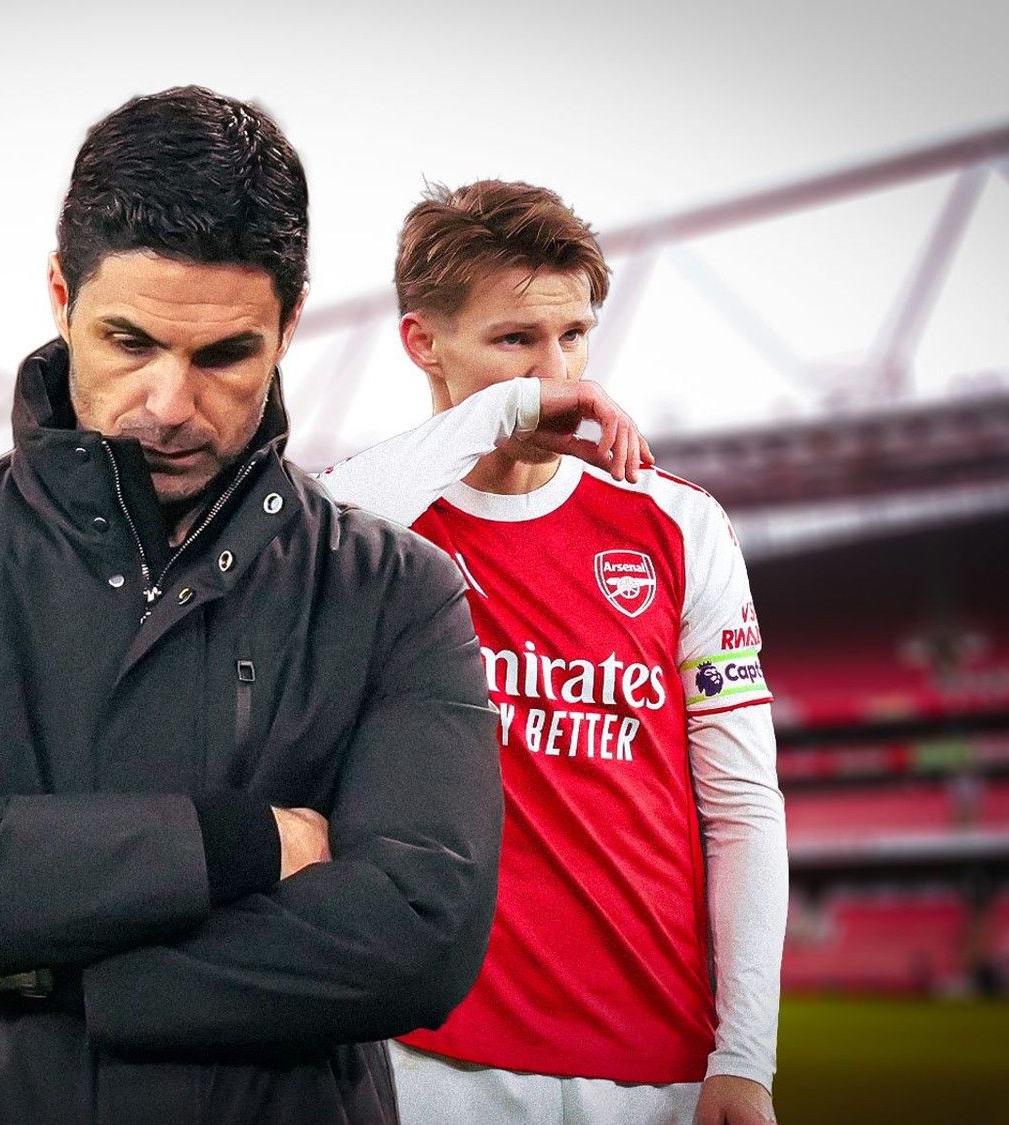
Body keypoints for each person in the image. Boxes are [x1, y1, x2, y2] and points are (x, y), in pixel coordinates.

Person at [0, 86, 651, 1125]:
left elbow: (420, 933)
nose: (167, 405)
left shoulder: (398, 591)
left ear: (289, 325)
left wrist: (44, 971)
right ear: (60, 296)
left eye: (222, 355)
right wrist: (244, 846)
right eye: (129, 342)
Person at [368, 180, 785, 1125]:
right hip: (432, 1057)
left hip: (658, 1066)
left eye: (574, 336)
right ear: (423, 342)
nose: (557, 375)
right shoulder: (379, 528)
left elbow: (742, 806)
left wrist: (746, 1053)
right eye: (516, 340)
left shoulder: (678, 524)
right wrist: (493, 418)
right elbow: (299, 540)